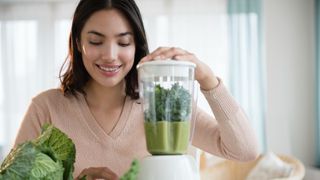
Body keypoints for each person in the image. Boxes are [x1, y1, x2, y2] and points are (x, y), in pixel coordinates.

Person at [14, 0, 259, 179]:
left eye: (123, 42)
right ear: (78, 43)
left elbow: (245, 150)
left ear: (137, 46)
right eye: (96, 41)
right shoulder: (45, 109)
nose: (110, 55)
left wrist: (207, 79)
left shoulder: (164, 108)